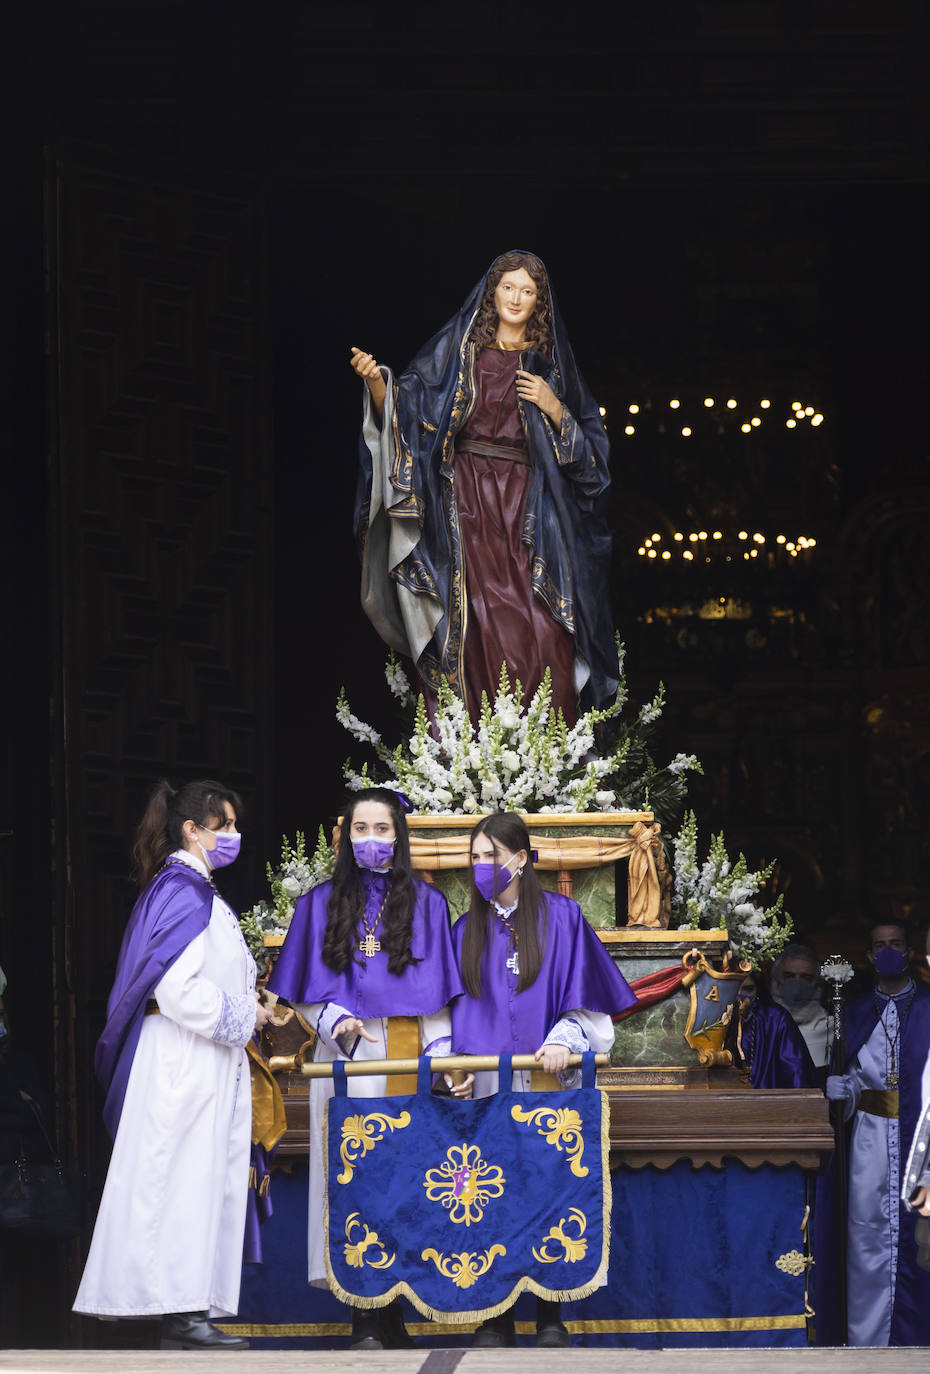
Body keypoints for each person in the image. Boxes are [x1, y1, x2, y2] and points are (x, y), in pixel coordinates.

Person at [350, 250, 618, 725]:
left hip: (530, 512)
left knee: (544, 627)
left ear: (540, 303)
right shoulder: (458, 355)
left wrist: (554, 407)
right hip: (465, 508)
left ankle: (545, 749)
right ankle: (469, 750)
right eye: (508, 287)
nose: (516, 298)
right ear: (492, 292)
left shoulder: (551, 367)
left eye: (528, 291)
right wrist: (377, 385)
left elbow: (593, 469)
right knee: (469, 622)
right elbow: (409, 413)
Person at [74, 779, 271, 1350]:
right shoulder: (187, 893)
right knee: (181, 1180)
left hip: (196, 1057)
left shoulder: (191, 889)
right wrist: (246, 1016)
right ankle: (180, 1313)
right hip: (184, 1061)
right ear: (194, 828)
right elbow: (179, 991)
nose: (234, 836)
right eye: (226, 825)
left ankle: (185, 1310)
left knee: (191, 1179)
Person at [267, 786, 464, 1351]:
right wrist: (333, 1019)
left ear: (399, 837)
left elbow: (442, 996)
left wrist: (443, 1053)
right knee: (351, 1179)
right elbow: (301, 991)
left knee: (408, 1180)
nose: (372, 840)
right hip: (348, 1061)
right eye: (361, 830)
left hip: (406, 1054)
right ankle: (361, 1312)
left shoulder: (428, 905)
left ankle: (398, 1306)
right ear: (344, 836)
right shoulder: (318, 904)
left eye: (383, 830)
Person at [449, 811, 637, 1347]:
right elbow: (451, 1015)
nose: (483, 866)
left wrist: (562, 1040)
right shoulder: (466, 930)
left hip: (551, 1082)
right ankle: (496, 1315)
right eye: (476, 857)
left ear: (523, 859)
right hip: (488, 1089)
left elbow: (591, 1007)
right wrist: (457, 1072)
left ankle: (552, 1314)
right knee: (489, 1196)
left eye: (493, 855)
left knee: (551, 1191)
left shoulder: (564, 918)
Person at [824, 919, 930, 1345]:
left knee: (919, 1241)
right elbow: (848, 1078)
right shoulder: (851, 1013)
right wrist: (839, 1090)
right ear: (868, 957)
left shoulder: (927, 1008)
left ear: (909, 952)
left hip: (919, 1144)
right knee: (865, 1237)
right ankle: (865, 1342)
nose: (889, 952)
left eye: (897, 944)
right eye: (880, 946)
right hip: (868, 1140)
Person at [731, 968, 817, 1088]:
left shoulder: (775, 1019)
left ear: (758, 990)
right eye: (732, 989)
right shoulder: (709, 1019)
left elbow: (797, 1073)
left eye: (748, 989)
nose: (740, 997)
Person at [770, 943, 831, 1080]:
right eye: (789, 976)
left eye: (806, 978)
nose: (796, 985)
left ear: (818, 982)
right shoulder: (762, 1026)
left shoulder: (831, 1028)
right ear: (775, 978)